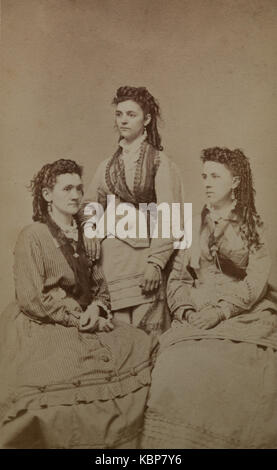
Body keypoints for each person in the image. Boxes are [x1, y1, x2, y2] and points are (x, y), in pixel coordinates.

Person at [0, 159, 156, 449]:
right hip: (43, 322)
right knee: (59, 379)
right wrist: (79, 318)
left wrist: (97, 308)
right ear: (47, 195)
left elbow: (100, 287)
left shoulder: (86, 235)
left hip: (86, 317)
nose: (75, 195)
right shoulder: (32, 236)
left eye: (79, 188)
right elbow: (33, 297)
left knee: (140, 343)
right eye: (67, 188)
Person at [142, 147, 277, 449]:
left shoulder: (253, 224)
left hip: (241, 313)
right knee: (175, 367)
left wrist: (223, 311)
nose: (207, 182)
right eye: (204, 176)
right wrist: (187, 312)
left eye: (215, 176)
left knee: (244, 372)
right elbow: (177, 278)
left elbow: (256, 279)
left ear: (235, 182)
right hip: (196, 311)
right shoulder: (192, 224)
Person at [79, 86, 184, 337]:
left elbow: (170, 215)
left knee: (146, 339)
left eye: (131, 114)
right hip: (111, 264)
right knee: (118, 338)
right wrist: (90, 229)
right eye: (119, 114)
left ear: (146, 119)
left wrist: (156, 263)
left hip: (143, 261)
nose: (123, 120)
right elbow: (89, 204)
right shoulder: (107, 165)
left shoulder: (160, 162)